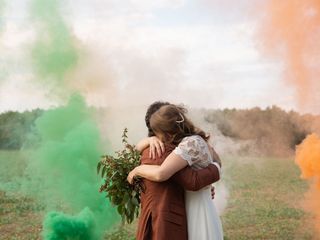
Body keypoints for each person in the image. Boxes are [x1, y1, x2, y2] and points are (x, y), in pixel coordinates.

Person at [128, 104, 223, 240]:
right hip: (193, 204)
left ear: (167, 132)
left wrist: (137, 170)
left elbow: (163, 173)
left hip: (196, 208)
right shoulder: (194, 139)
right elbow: (211, 163)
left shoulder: (188, 144)